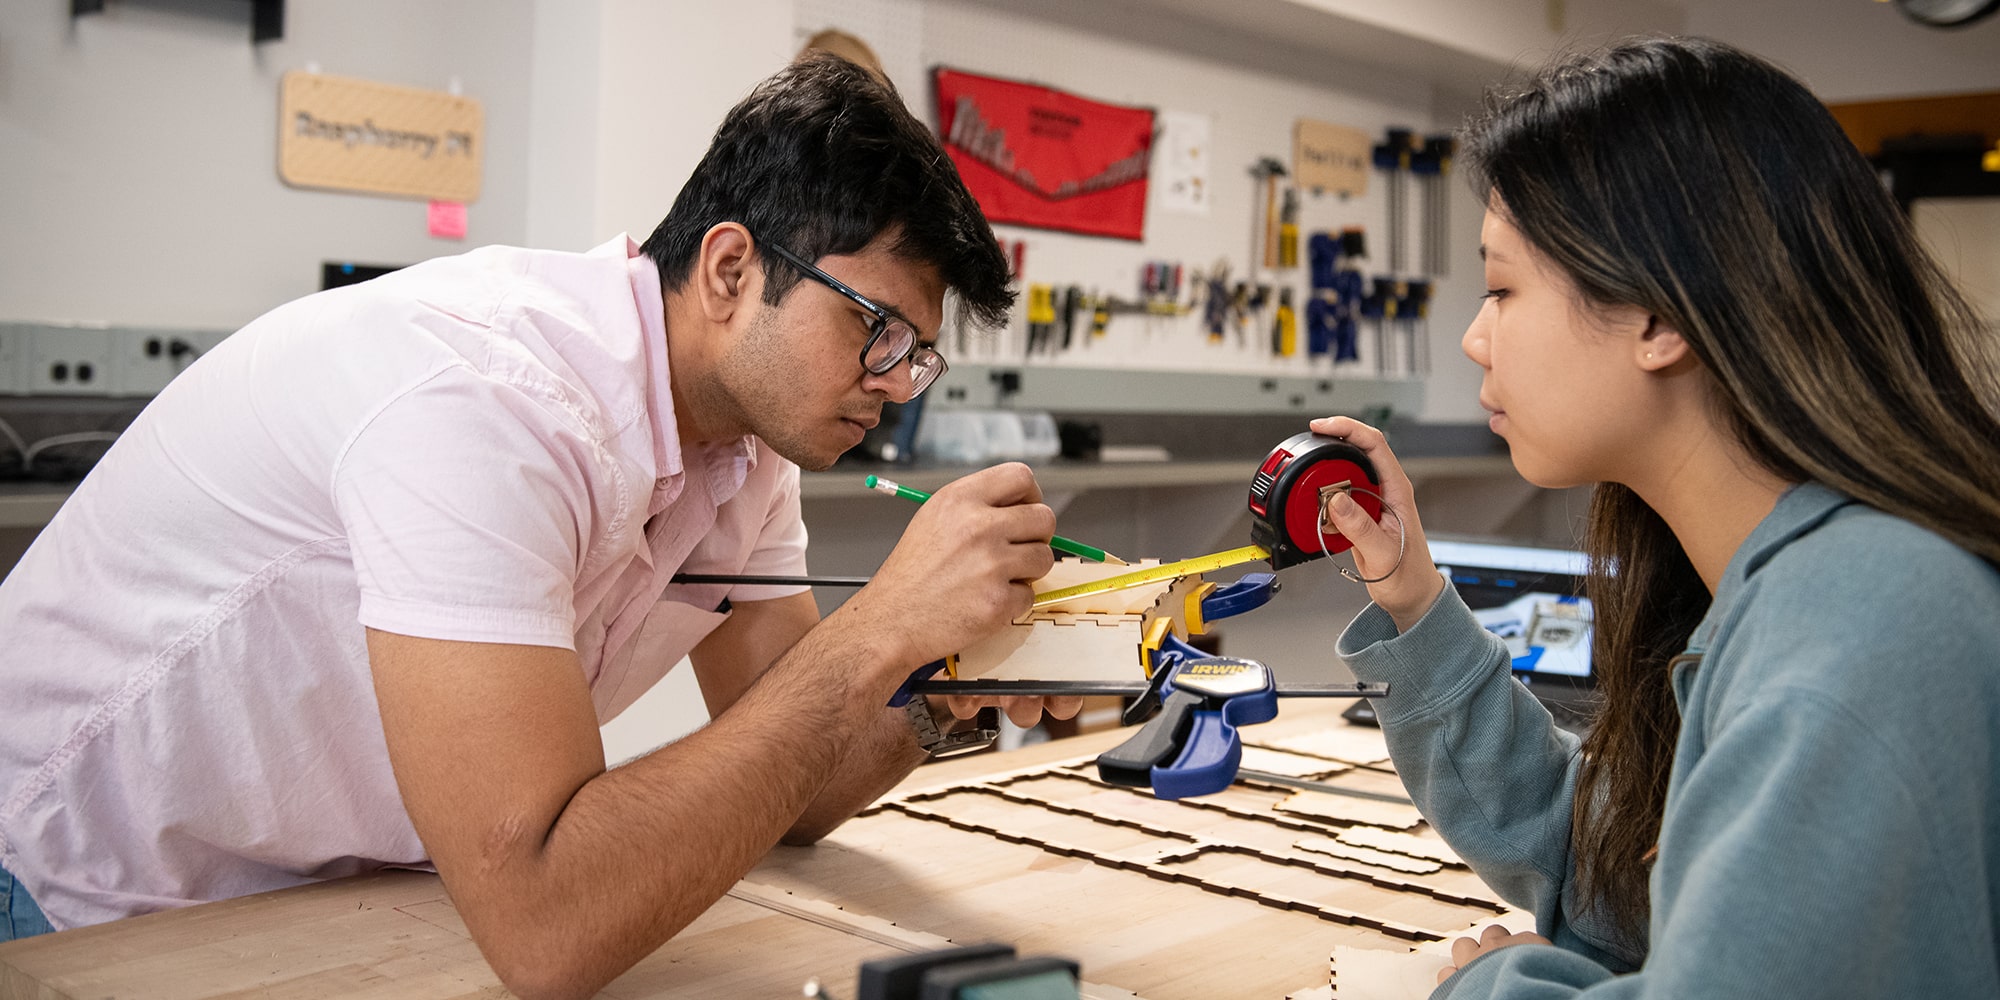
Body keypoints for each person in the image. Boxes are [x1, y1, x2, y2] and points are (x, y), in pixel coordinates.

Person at [0, 52, 1077, 997]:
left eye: (915, 355)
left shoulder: (745, 451)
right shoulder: (482, 403)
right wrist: (876, 626)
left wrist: (947, 679)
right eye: (874, 329)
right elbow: (545, 919)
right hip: (61, 878)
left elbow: (796, 780)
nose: (893, 385)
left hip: (294, 891)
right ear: (731, 270)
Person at [1315, 36, 2000, 998]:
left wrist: (1485, 988)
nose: (1474, 338)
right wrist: (1414, 598)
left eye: (1503, 288)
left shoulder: (1862, 631)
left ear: (1659, 317)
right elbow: (1616, 876)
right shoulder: (1790, 580)